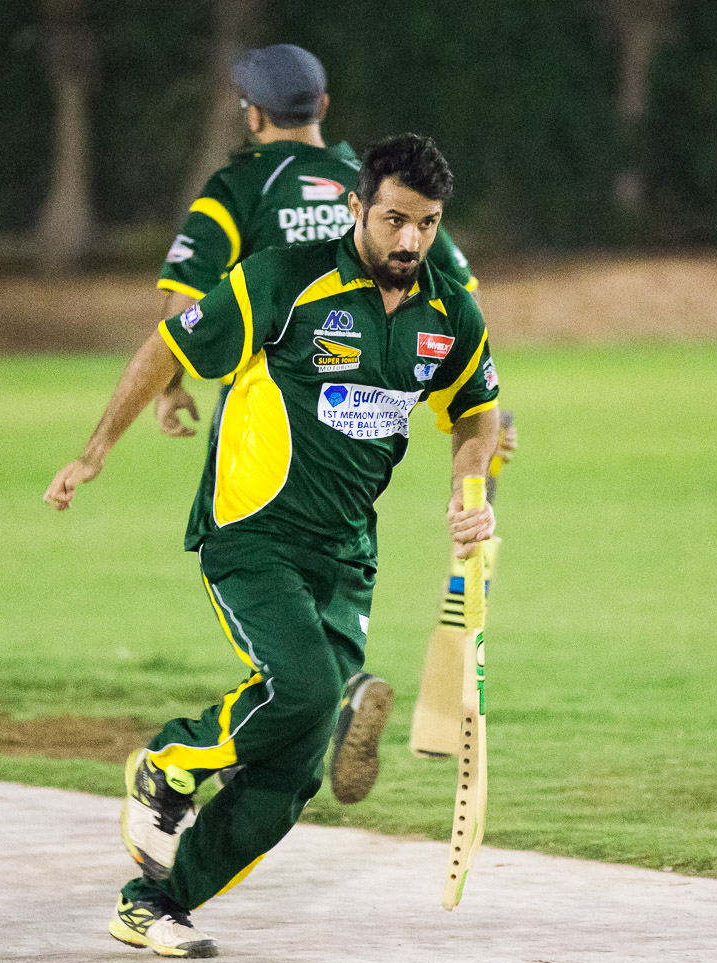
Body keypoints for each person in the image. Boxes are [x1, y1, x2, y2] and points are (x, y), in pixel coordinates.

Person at [44, 134, 500, 958]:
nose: (410, 240)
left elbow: (477, 411)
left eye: (428, 224)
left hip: (347, 555)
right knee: (307, 689)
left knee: (294, 770)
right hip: (252, 534)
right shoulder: (286, 279)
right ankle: (170, 760)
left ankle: (154, 903)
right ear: (357, 206)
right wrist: (96, 449)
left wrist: (467, 489)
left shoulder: (449, 312)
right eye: (395, 219)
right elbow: (171, 344)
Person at [151, 43, 488, 806]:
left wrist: (172, 387)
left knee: (265, 587)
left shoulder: (239, 186)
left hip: (272, 413)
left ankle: (316, 703)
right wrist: (483, 413)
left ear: (253, 115)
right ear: (323, 107)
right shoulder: (373, 184)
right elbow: (458, 294)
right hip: (374, 416)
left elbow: (183, 303)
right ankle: (320, 700)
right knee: (314, 595)